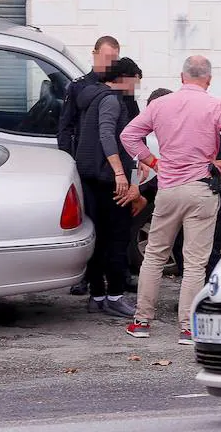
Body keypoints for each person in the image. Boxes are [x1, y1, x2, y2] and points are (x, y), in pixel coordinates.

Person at [120, 56, 221, 345]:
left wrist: (153, 162)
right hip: (201, 190)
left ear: (181, 78)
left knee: (154, 256)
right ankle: (188, 328)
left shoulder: (159, 105)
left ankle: (141, 322)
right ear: (209, 79)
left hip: (168, 189)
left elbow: (129, 135)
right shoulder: (215, 105)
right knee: (194, 263)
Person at [139, 88, 221, 281]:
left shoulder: (184, 127)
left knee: (208, 246)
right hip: (204, 186)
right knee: (183, 244)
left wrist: (143, 194)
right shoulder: (177, 123)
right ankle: (195, 295)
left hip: (220, 186)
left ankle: (212, 297)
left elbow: (178, 170)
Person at [74, 57, 145, 317]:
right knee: (117, 237)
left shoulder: (92, 97)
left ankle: (97, 296)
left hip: (91, 177)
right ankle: (115, 296)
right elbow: (107, 135)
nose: (134, 89)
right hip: (108, 180)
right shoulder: (111, 101)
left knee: (99, 238)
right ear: (124, 77)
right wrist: (120, 172)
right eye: (134, 82)